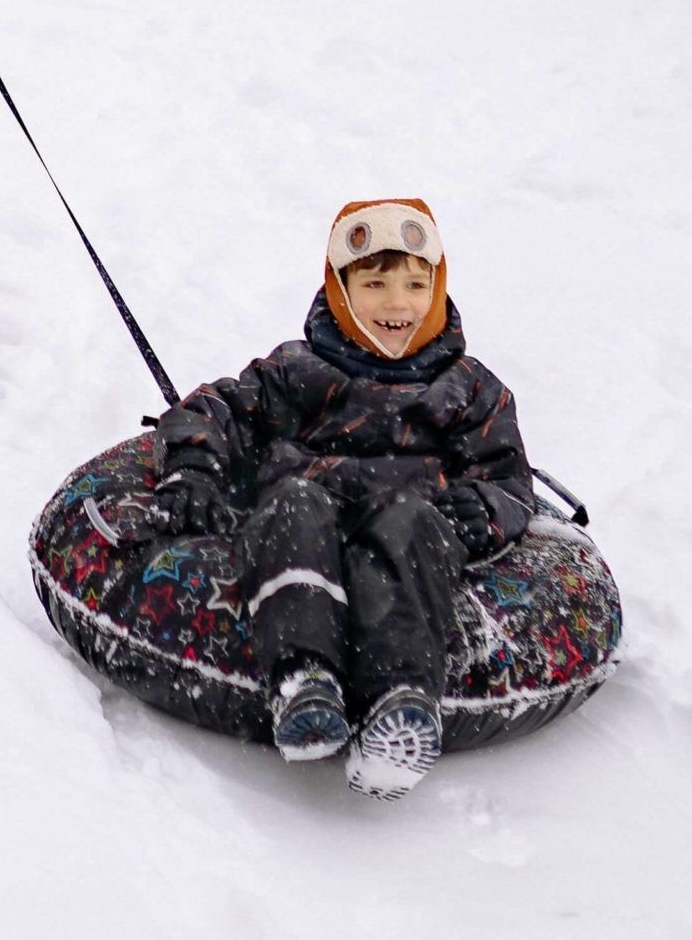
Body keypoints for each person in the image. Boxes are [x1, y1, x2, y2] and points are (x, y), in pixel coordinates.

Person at [137, 198, 535, 799]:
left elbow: (509, 479)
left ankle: (399, 703)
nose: (397, 303)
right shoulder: (297, 369)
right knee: (294, 503)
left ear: (438, 287)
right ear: (341, 289)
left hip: (407, 529)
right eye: (375, 284)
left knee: (411, 525)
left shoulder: (469, 388)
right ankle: (304, 680)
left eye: (415, 284)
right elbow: (214, 412)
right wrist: (193, 469)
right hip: (305, 521)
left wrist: (484, 509)